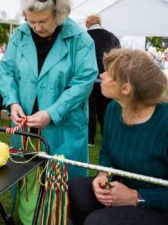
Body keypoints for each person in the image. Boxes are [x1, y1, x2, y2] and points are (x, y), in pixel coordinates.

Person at [0, 0, 98, 224]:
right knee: (26, 175)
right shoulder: (20, 34)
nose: (36, 27)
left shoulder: (81, 41)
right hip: (25, 125)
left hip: (62, 127)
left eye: (43, 21)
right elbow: (6, 71)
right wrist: (12, 102)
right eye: (31, 21)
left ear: (59, 15)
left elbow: (83, 82)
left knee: (61, 181)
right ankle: (27, 216)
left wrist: (53, 112)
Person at [69, 48, 168, 225]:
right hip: (127, 188)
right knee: (77, 190)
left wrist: (135, 197)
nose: (102, 74)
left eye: (109, 73)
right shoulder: (114, 110)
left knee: (98, 221)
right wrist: (103, 175)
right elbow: (106, 150)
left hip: (160, 206)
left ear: (125, 88)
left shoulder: (164, 122)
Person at [85, 14, 120, 145]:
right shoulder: (112, 37)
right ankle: (107, 138)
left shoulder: (83, 37)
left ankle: (90, 139)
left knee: (90, 108)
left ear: (87, 24)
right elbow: (118, 59)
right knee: (105, 108)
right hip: (107, 78)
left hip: (88, 78)